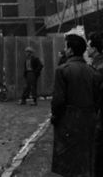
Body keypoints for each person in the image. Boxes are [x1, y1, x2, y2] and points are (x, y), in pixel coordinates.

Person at [51, 32, 102, 176]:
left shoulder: (62, 70)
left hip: (68, 121)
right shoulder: (93, 71)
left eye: (67, 47)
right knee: (85, 161)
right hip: (89, 120)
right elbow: (98, 99)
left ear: (71, 50)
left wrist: (55, 117)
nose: (65, 50)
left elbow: (58, 101)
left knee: (68, 163)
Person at [87, 32, 103, 176]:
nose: (87, 49)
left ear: (95, 49)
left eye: (89, 46)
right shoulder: (96, 64)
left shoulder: (99, 66)